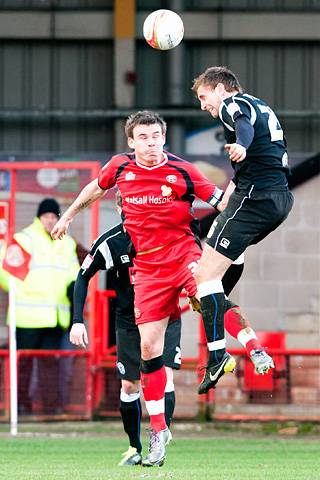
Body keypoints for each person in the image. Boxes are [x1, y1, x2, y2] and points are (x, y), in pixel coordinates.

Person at [51, 111, 272, 466]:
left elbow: (220, 203)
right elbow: (96, 187)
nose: (151, 143)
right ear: (131, 141)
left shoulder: (184, 171)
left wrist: (246, 203)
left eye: (156, 136)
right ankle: (158, 433)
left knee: (207, 297)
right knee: (149, 346)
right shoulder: (119, 167)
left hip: (183, 252)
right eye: (144, 137)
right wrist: (69, 215)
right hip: (148, 269)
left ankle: (255, 348)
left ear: (163, 138)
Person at [191, 66, 294, 394]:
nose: (203, 105)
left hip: (256, 198)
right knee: (217, 273)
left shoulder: (233, 105)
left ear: (220, 88)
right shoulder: (261, 105)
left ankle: (217, 354)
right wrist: (228, 194)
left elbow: (242, 126)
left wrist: (243, 146)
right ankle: (232, 325)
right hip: (277, 200)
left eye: (204, 97)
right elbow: (255, 157)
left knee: (204, 278)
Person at [70, 192, 182, 466]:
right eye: (130, 203)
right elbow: (83, 278)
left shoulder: (166, 232)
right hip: (129, 322)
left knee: (164, 376)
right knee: (129, 386)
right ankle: (134, 447)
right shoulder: (110, 242)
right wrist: (77, 320)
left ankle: (159, 441)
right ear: (120, 206)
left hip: (163, 316)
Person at [0, 198, 80, 414]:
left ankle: (50, 407)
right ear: (39, 217)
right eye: (46, 217)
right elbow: (5, 273)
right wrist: (21, 289)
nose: (50, 221)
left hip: (55, 316)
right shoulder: (23, 239)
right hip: (27, 316)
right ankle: (20, 406)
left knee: (51, 365)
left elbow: (75, 273)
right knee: (23, 365)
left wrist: (73, 287)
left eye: (54, 216)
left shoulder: (67, 242)